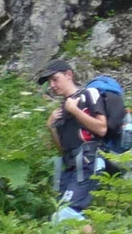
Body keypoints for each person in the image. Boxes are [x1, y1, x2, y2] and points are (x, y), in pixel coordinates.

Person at [38, 59, 124, 222]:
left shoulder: (88, 94)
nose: (52, 85)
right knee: (59, 217)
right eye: (49, 82)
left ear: (68, 75)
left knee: (67, 213)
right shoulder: (63, 109)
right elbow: (63, 149)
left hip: (88, 162)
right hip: (71, 166)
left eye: (55, 79)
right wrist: (51, 127)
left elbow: (101, 128)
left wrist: (74, 110)